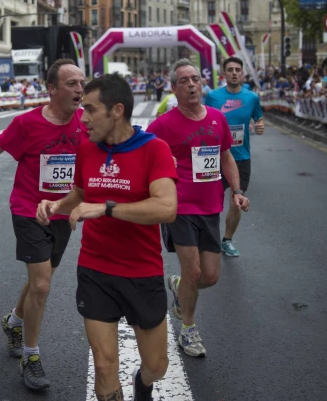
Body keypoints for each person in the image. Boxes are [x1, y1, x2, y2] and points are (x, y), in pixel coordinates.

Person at [36, 74, 178, 401]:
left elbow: (167, 207)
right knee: (103, 363)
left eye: (89, 109)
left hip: (142, 271)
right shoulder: (87, 148)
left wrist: (107, 208)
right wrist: (57, 204)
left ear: (116, 110)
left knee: (156, 365)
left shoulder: (154, 149)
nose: (81, 118)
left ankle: (143, 383)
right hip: (96, 268)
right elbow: (82, 192)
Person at [0, 59, 87, 391]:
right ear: (51, 89)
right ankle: (31, 357)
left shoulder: (86, 122)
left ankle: (14, 321)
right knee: (43, 284)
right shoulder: (27, 122)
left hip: (64, 211)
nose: (79, 89)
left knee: (41, 279)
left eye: (82, 83)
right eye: (71, 84)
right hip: (29, 210)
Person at [147, 59, 250, 358]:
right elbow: (144, 152)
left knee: (210, 276)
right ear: (174, 88)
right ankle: (188, 330)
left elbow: (226, 157)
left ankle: (179, 288)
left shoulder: (217, 118)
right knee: (192, 271)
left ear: (202, 84)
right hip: (179, 207)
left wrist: (237, 191)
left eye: (195, 79)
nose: (191, 84)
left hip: (209, 206)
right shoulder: (163, 124)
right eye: (184, 81)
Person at [204, 57, 264, 257]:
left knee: (236, 200)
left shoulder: (252, 98)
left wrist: (260, 125)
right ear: (224, 74)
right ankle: (209, 237)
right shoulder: (213, 97)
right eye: (230, 69)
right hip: (216, 156)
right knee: (211, 201)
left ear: (243, 73)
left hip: (241, 157)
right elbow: (204, 119)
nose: (234, 73)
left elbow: (259, 118)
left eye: (238, 69)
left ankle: (227, 240)